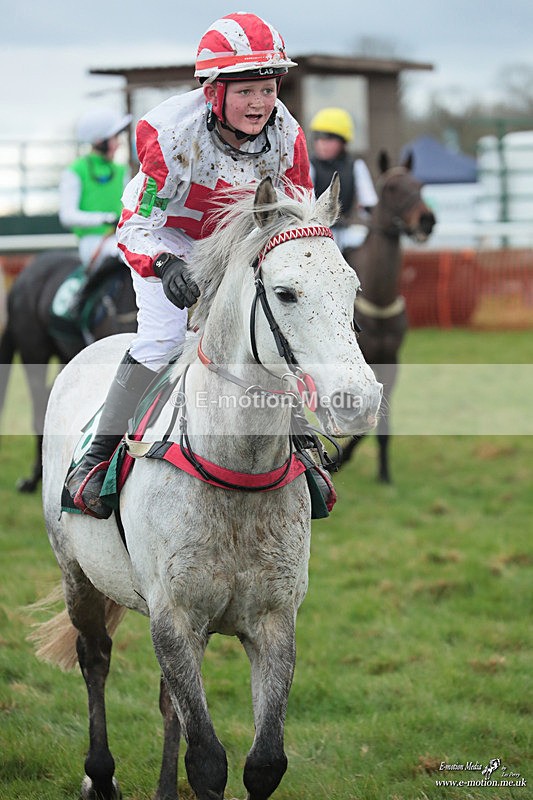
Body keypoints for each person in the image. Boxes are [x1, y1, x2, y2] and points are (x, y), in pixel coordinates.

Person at [66, 11, 313, 518]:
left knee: (274, 329)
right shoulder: (168, 135)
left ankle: (304, 450)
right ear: (213, 90)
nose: (261, 103)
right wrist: (164, 264)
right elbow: (136, 223)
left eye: (268, 88)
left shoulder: (289, 136)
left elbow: (299, 218)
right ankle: (96, 458)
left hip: (239, 242)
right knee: (160, 339)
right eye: (246, 91)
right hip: (168, 237)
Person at [59, 108, 132, 273]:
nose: (119, 143)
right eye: (115, 138)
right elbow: (67, 215)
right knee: (124, 254)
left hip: (121, 237)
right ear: (101, 141)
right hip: (92, 242)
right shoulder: (75, 170)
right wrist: (104, 218)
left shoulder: (121, 171)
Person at [309, 107, 377, 252]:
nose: (322, 144)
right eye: (318, 138)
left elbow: (369, 203)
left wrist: (369, 210)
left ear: (343, 142)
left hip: (347, 233)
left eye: (328, 139)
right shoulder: (309, 166)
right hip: (316, 234)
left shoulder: (356, 166)